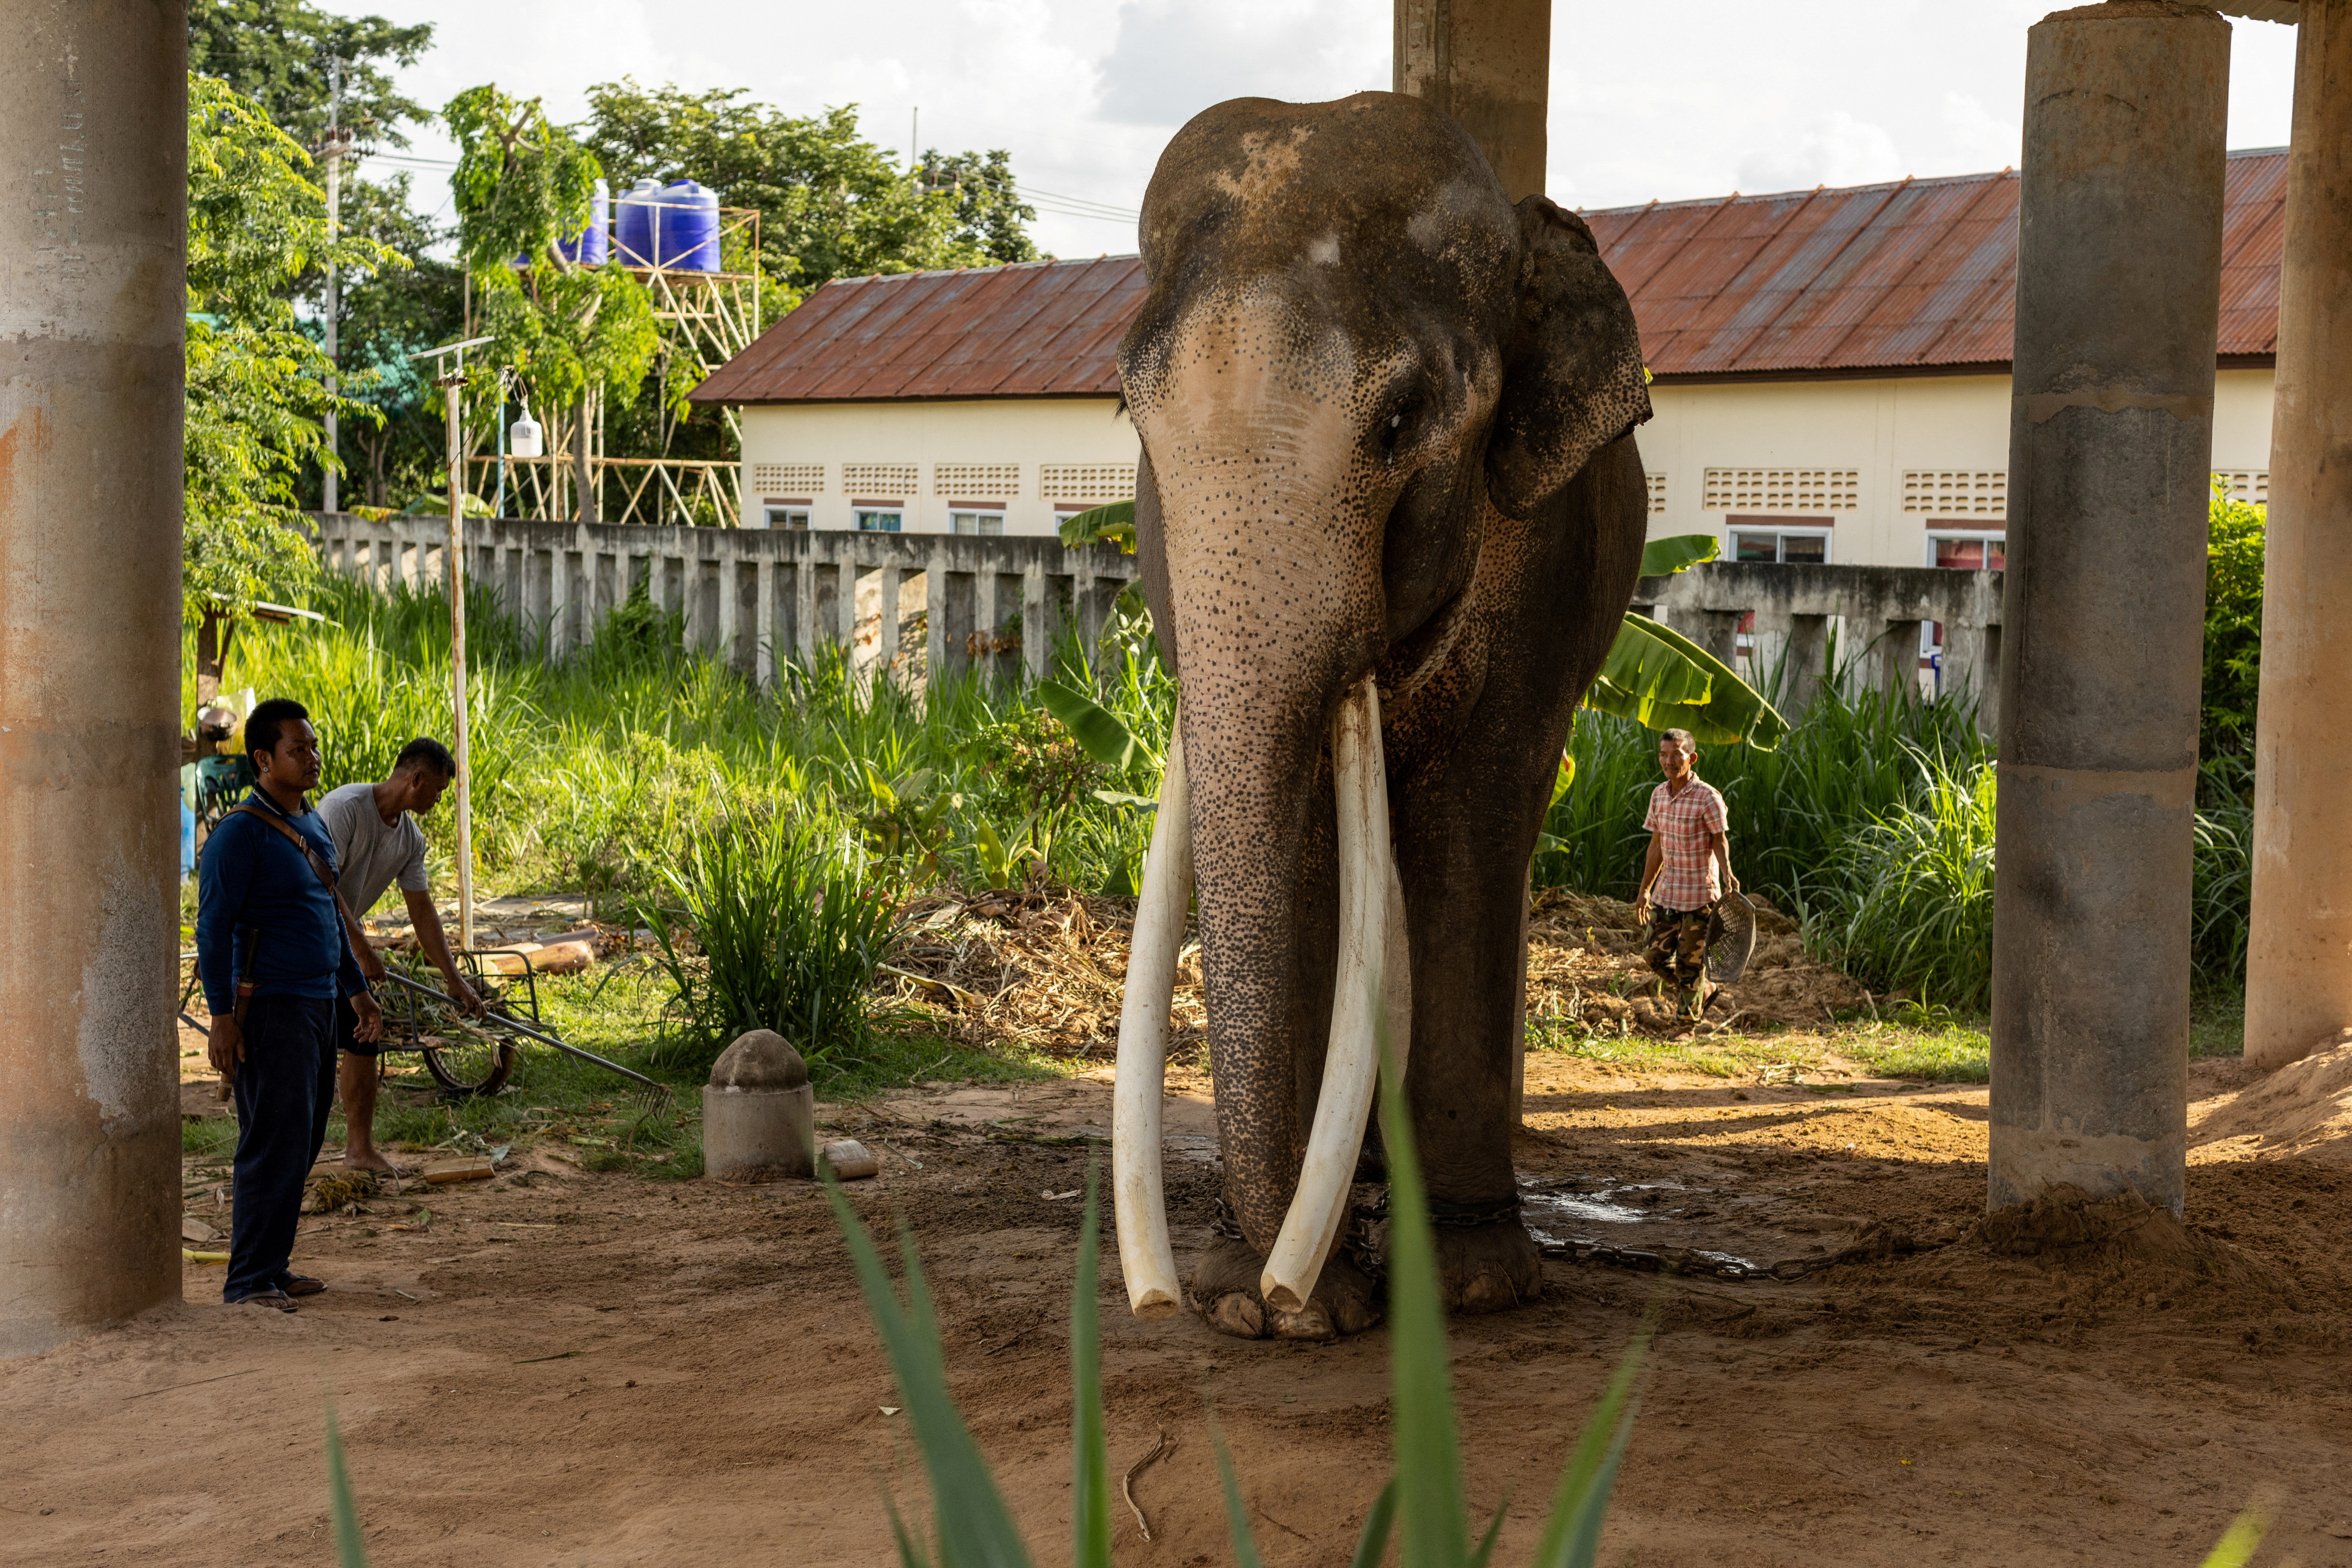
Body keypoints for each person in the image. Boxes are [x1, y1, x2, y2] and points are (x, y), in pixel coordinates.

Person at [195, 699, 384, 1312]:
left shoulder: (311, 824)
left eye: (313, 745)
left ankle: (271, 1268)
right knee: (272, 1141)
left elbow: (328, 915)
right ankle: (248, 1280)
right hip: (270, 1006)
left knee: (301, 1140)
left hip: (317, 1001)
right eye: (297, 749)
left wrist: (355, 990)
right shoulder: (240, 834)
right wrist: (221, 1017)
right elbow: (213, 928)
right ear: (262, 759)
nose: (312, 757)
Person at [318, 738, 486, 1174]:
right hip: (302, 935)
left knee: (363, 1035)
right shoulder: (344, 808)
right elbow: (321, 887)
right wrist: (362, 950)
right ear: (417, 779)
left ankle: (359, 1149)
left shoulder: (411, 839)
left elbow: (422, 909)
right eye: (439, 790)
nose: (439, 799)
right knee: (307, 1047)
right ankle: (287, 1155)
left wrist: (453, 978)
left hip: (338, 941)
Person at [1632, 727, 1737, 1022]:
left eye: (1676, 755)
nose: (1669, 761)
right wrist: (1644, 890)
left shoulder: (1708, 797)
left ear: (1692, 758)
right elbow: (1656, 844)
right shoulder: (1659, 796)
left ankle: (1685, 1027)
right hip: (1668, 892)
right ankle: (1703, 991)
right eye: (1663, 755)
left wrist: (1728, 875)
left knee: (1691, 965)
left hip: (1700, 895)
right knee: (1653, 956)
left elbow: (1720, 840)